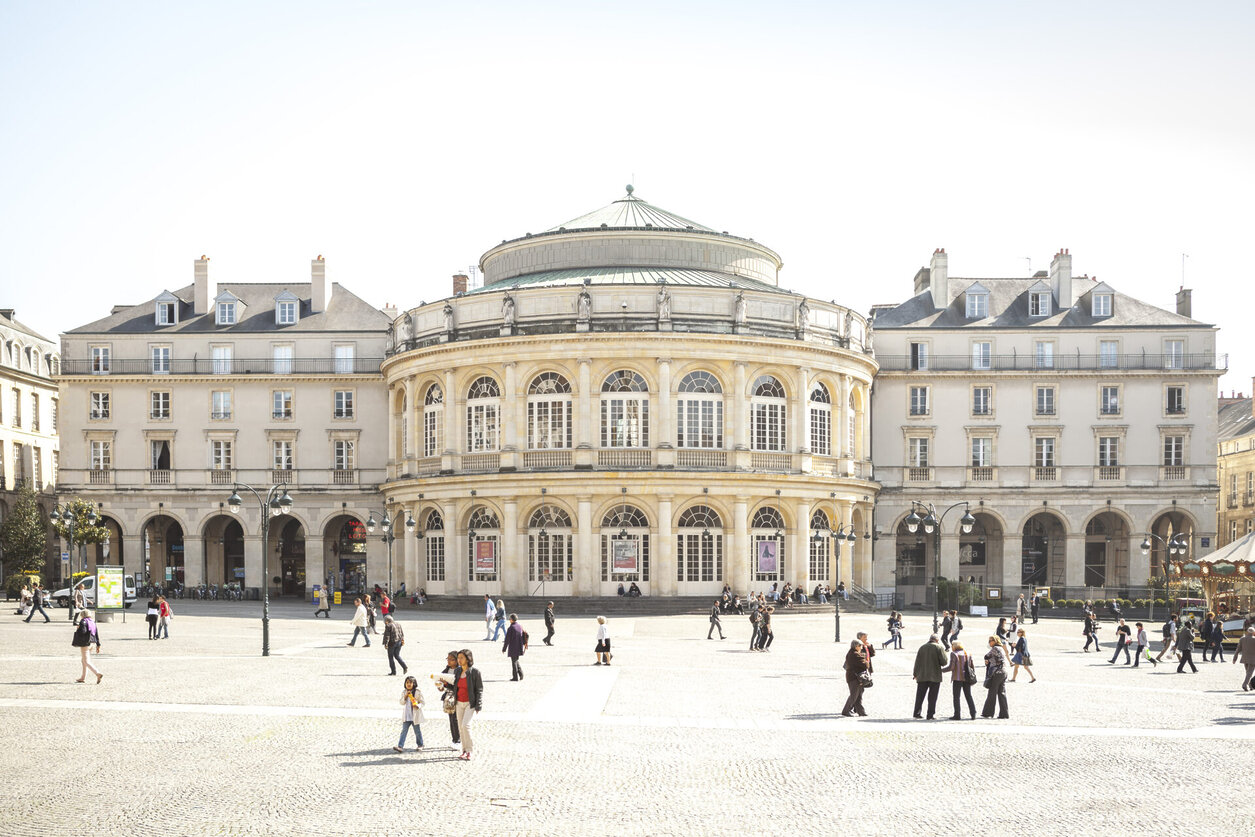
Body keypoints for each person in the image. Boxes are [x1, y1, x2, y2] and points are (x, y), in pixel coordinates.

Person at [452, 649, 482, 761]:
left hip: (470, 703)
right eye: (458, 658)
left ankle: (469, 750)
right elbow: (454, 686)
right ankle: (464, 750)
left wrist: (478, 705)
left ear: (468, 659)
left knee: (466, 725)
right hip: (459, 703)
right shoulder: (457, 671)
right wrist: (443, 684)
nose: (459, 660)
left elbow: (479, 689)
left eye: (461, 658)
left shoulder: (475, 672)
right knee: (461, 727)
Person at [912, 634, 948, 720]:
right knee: (932, 697)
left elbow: (917, 662)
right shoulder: (939, 647)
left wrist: (915, 674)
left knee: (920, 696)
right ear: (936, 640)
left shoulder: (922, 647)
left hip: (922, 675)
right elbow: (944, 662)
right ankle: (930, 715)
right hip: (935, 676)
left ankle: (917, 713)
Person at [941, 640, 976, 720]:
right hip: (967, 678)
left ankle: (957, 714)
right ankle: (973, 713)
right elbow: (972, 666)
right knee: (968, 696)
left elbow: (951, 667)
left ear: (954, 646)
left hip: (957, 678)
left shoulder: (954, 654)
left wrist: (941, 670)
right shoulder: (967, 653)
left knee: (956, 697)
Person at [432, 651, 461, 748]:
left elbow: (458, 686)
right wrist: (440, 686)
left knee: (457, 719)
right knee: (452, 719)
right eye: (447, 659)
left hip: (459, 697)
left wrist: (446, 684)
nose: (448, 661)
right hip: (449, 698)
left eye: (451, 659)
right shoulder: (446, 670)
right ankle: (455, 739)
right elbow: (442, 685)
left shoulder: (460, 671)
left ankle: (458, 740)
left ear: (457, 660)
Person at [393, 675, 424, 752]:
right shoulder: (404, 692)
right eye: (407, 682)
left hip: (414, 716)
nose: (408, 684)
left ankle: (420, 744)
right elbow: (401, 702)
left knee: (417, 731)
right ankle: (400, 746)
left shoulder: (417, 692)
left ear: (414, 683)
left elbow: (422, 702)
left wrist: (418, 705)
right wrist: (405, 697)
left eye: (410, 682)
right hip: (407, 716)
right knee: (404, 731)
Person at [982, 635, 1010, 719]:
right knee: (1002, 693)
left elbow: (986, 656)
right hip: (1003, 672)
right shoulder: (1001, 648)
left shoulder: (995, 648)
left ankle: (988, 713)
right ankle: (1004, 714)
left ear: (995, 641)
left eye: (991, 640)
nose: (989, 642)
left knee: (992, 692)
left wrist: (988, 661)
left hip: (997, 673)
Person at [72, 610, 103, 684]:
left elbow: (83, 631)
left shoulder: (83, 621)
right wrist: (98, 644)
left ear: (82, 615)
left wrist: (78, 628)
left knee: (86, 661)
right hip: (92, 642)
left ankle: (97, 673)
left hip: (85, 643)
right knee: (83, 660)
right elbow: (96, 634)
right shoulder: (92, 621)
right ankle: (83, 677)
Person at [841, 638, 869, 717]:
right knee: (854, 695)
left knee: (858, 695)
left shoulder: (854, 653)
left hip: (856, 677)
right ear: (856, 646)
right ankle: (846, 711)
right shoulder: (854, 654)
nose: (861, 647)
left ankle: (861, 711)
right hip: (854, 677)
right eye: (860, 646)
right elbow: (866, 665)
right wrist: (866, 661)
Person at [503, 613, 526, 681]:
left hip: (513, 647)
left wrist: (504, 649)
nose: (509, 620)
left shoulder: (511, 628)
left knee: (514, 662)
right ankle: (521, 674)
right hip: (519, 646)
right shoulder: (519, 626)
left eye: (510, 618)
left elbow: (507, 640)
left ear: (512, 620)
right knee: (515, 660)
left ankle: (515, 677)